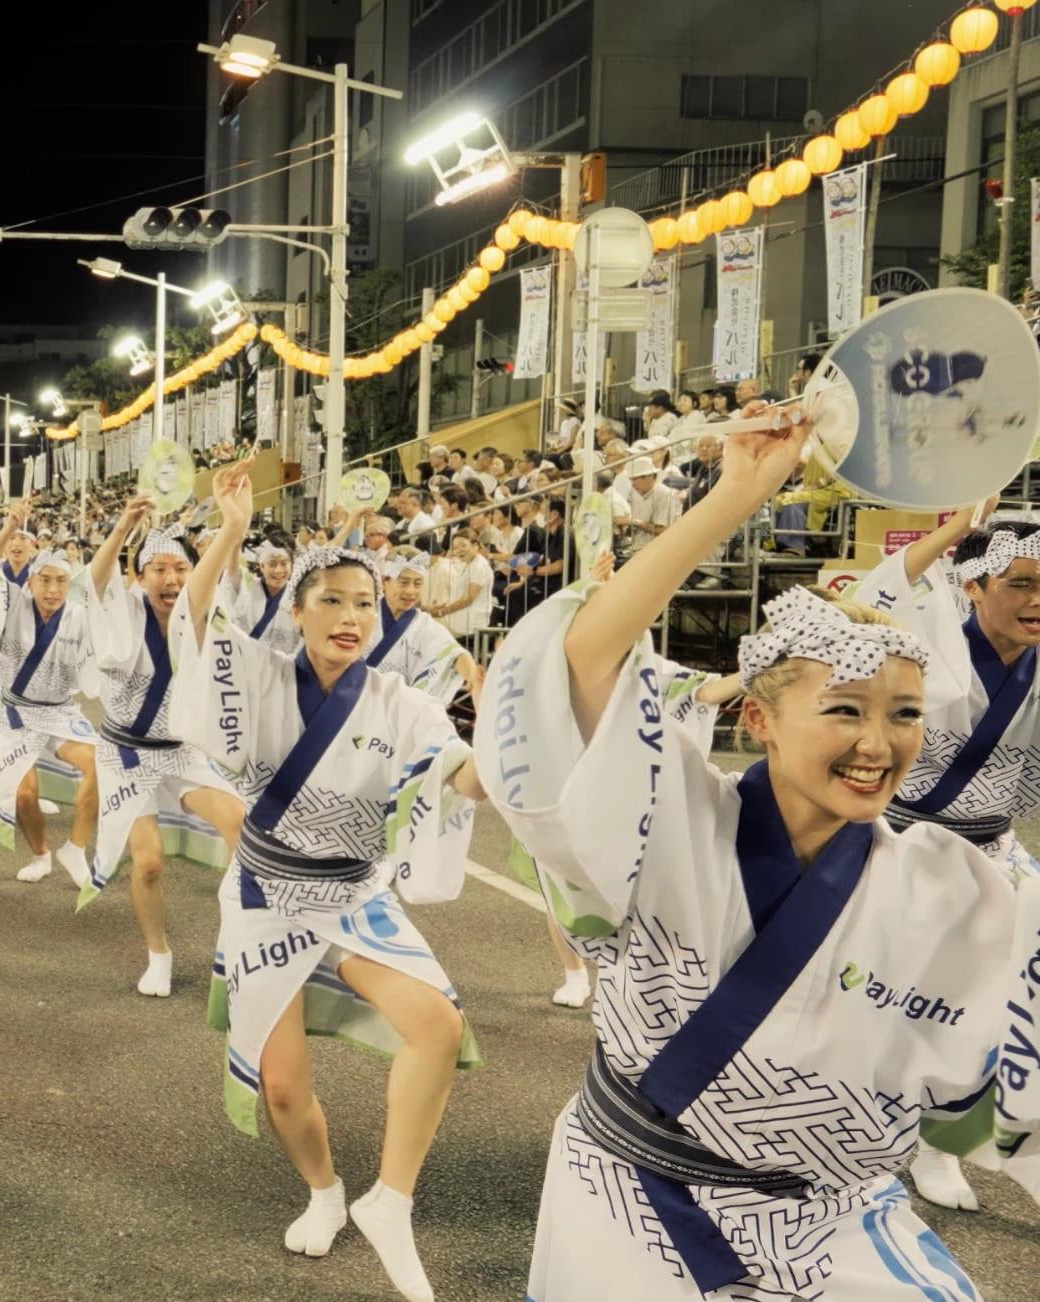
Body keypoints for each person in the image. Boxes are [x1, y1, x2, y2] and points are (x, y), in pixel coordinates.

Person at [483, 414, 1040, 1301]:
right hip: (634, 1194)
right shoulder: (671, 813)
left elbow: (1007, 1051)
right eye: (847, 710)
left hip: (833, 1215)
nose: (879, 743)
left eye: (903, 714)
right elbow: (582, 662)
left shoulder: (953, 887)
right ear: (761, 719)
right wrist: (737, 496)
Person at [170, 461, 487, 1302]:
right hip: (266, 894)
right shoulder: (262, 676)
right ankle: (324, 1190)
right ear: (298, 613)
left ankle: (392, 1200)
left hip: (353, 893)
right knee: (282, 1087)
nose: (352, 617)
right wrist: (231, 532)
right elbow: (196, 621)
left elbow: (456, 773)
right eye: (334, 601)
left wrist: (509, 759)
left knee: (437, 1025)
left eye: (367, 605)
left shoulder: (402, 702)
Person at [850, 503, 1040, 1210]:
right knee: (878, 997)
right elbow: (866, 610)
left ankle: (944, 1141)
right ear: (973, 586)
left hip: (992, 847)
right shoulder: (926, 645)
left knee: (1001, 1002)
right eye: (1019, 582)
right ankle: (868, 1137)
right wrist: (948, 533)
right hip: (900, 842)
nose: (1036, 600)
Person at [78, 496, 246, 996]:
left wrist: (234, 526)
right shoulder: (122, 612)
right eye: (158, 569)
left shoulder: (202, 613)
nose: (171, 579)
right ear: (141, 576)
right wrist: (125, 526)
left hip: (182, 750)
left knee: (243, 825)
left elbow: (220, 576)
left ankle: (241, 939)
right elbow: (96, 579)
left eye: (180, 568)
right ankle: (158, 953)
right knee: (148, 863)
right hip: (126, 751)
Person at [0, 497, 98, 888]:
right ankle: (42, 855)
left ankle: (75, 849)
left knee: (103, 766)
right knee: (25, 795)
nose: (52, 589)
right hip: (15, 712)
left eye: (61, 581)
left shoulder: (79, 616)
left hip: (60, 711)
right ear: (31, 581)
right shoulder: (12, 602)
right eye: (44, 579)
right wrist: (10, 529)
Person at [370, 547, 485, 704]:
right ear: (384, 582)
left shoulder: (424, 625)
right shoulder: (364, 615)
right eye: (403, 582)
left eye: (418, 584)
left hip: (397, 712)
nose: (411, 591)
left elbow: (454, 654)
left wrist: (474, 678)